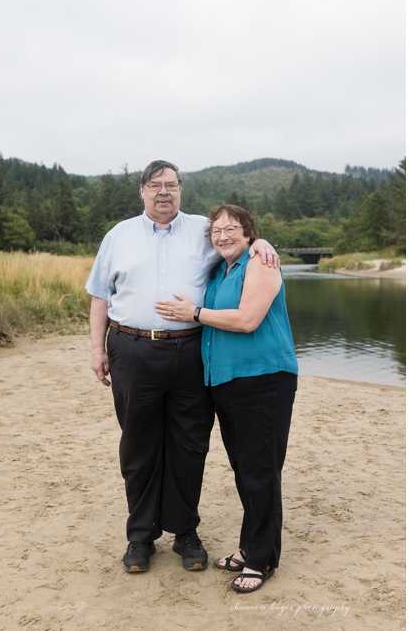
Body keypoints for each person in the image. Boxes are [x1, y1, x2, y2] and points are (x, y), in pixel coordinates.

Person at [85, 160, 278, 574]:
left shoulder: (202, 230)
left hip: (191, 352)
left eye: (171, 184)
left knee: (189, 445)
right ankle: (140, 536)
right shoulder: (119, 235)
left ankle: (184, 532)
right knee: (138, 445)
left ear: (180, 190)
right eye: (155, 185)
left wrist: (262, 242)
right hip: (131, 349)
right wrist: (97, 348)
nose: (164, 192)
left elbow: (236, 244)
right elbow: (100, 294)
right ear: (142, 191)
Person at [155, 204, 298, 593]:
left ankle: (261, 560)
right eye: (216, 231)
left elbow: (248, 319)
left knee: (261, 471)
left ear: (249, 232)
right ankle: (250, 546)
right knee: (244, 470)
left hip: (264, 379)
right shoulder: (220, 270)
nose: (222, 236)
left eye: (231, 228)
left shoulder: (261, 263)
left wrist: (194, 313)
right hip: (226, 382)